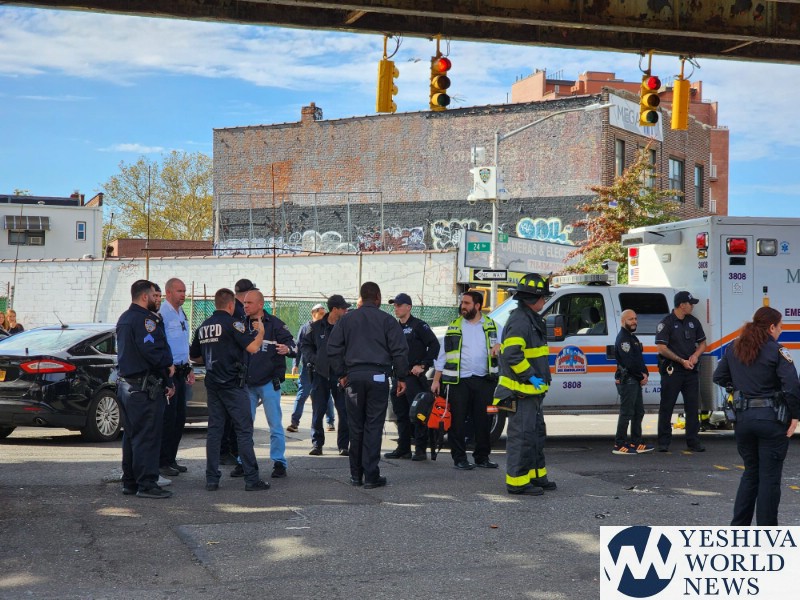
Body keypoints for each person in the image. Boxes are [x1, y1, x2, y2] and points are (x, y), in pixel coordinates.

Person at [712, 306, 800, 525]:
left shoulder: (735, 347)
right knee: (769, 478)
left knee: (751, 473)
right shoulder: (777, 351)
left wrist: (741, 389)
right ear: (771, 327)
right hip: (771, 420)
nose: (781, 331)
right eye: (780, 327)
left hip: (743, 420)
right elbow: (791, 386)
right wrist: (796, 416)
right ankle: (766, 533)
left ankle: (738, 528)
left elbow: (719, 376)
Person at [328, 281, 408, 488]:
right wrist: (401, 377)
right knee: (373, 426)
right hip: (379, 377)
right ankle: (371, 476)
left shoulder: (347, 320)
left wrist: (342, 374)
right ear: (379, 298)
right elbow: (400, 351)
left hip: (354, 378)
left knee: (356, 427)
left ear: (361, 298)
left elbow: (333, 347)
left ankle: (356, 475)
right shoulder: (388, 320)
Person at [189, 288, 270, 492]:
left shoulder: (204, 326)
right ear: (231, 305)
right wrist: (260, 332)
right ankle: (252, 479)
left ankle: (211, 479)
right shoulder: (233, 323)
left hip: (213, 383)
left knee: (215, 431)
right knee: (243, 430)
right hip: (233, 384)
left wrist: (213, 354)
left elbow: (194, 356)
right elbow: (252, 348)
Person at [491, 274, 556, 495]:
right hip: (521, 392)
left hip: (532, 392)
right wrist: (531, 377)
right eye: (543, 298)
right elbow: (512, 355)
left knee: (536, 435)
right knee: (523, 437)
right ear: (533, 298)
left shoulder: (530, 318)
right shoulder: (520, 320)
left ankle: (537, 477)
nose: (545, 301)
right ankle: (517, 482)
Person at [116, 279, 176, 499]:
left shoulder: (125, 318)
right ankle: (147, 483)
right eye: (155, 296)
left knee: (132, 436)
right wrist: (167, 367)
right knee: (147, 437)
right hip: (143, 388)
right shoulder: (145, 320)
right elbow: (151, 351)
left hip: (129, 387)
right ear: (144, 297)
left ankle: (130, 482)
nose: (158, 299)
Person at [431, 290, 501, 471]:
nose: (463, 306)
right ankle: (459, 458)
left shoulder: (493, 326)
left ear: (477, 306)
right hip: (459, 382)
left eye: (467, 303)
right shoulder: (455, 326)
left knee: (484, 420)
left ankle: (482, 457)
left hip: (485, 380)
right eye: (462, 303)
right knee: (458, 422)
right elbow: (443, 355)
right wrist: (436, 380)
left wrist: (501, 345)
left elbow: (509, 344)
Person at [238, 289, 296, 479]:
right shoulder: (240, 324)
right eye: (244, 303)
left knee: (275, 425)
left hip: (269, 383)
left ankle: (279, 462)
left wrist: (287, 349)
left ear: (261, 305)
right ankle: (242, 462)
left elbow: (295, 346)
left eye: (249, 303)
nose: (245, 306)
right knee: (245, 425)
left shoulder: (276, 325)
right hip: (247, 384)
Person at [384, 292, 440, 462]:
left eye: (399, 305)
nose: (396, 308)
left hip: (413, 378)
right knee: (400, 413)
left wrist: (423, 365)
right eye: (394, 305)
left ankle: (420, 450)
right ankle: (403, 448)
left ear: (408, 307)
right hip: (398, 377)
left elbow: (435, 345)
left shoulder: (418, 325)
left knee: (417, 414)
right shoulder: (394, 327)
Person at [656, 291, 707, 453]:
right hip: (673, 370)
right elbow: (662, 348)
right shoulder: (667, 323)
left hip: (690, 371)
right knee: (667, 406)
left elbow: (702, 343)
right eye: (690, 303)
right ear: (681, 305)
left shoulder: (693, 322)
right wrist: (681, 361)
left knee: (692, 407)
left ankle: (693, 441)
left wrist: (695, 356)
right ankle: (664, 442)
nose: (692, 306)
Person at [299, 294, 351, 456]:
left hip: (341, 375)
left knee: (344, 411)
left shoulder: (347, 327)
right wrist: (315, 360)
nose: (346, 310)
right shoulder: (315, 327)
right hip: (319, 375)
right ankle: (317, 444)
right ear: (335, 309)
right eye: (343, 308)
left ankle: (343, 446)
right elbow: (305, 346)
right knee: (318, 410)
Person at [218, 278, 259, 465]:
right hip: (231, 373)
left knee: (232, 418)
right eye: (248, 296)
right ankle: (227, 452)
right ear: (241, 296)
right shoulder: (235, 315)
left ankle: (231, 451)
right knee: (232, 418)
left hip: (235, 372)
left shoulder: (241, 313)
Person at [158, 278, 195, 477]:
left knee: (180, 418)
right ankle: (162, 461)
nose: (183, 294)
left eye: (184, 290)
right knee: (168, 419)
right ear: (169, 292)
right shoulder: (162, 314)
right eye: (179, 291)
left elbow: (182, 343)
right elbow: (163, 345)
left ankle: (171, 459)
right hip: (168, 373)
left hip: (181, 370)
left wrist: (188, 367)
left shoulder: (181, 313)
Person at [287, 303, 335, 433]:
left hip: (324, 369)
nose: (324, 316)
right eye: (321, 313)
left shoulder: (328, 328)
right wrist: (295, 365)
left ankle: (330, 422)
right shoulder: (305, 328)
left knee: (326, 395)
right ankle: (294, 423)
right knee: (302, 394)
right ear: (313, 314)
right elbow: (299, 347)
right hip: (307, 369)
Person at [613, 310, 654, 455]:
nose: (634, 321)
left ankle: (636, 442)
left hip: (634, 379)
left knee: (638, 412)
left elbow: (638, 360)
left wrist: (645, 374)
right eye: (631, 319)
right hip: (628, 380)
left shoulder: (632, 337)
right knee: (627, 412)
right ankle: (619, 444)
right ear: (623, 321)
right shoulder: (623, 339)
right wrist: (640, 376)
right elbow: (629, 363)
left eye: (635, 319)